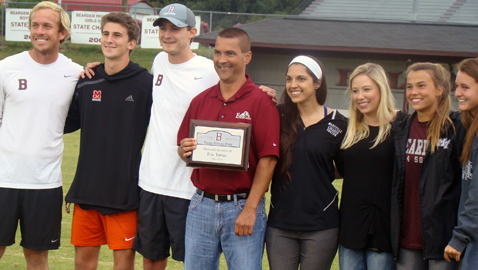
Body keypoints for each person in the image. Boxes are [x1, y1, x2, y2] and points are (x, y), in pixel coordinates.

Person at [178, 27, 280, 270]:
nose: (222, 60)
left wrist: (250, 209)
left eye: (231, 53)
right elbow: (183, 148)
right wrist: (184, 150)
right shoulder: (201, 100)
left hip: (241, 205)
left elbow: (268, 160)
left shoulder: (261, 102)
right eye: (218, 52)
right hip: (201, 205)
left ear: (247, 57)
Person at [64, 12, 152, 270]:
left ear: (131, 43)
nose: (109, 40)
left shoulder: (146, 84)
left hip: (124, 195)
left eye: (117, 35)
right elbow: (63, 123)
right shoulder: (87, 81)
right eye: (105, 34)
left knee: (123, 264)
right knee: (82, 264)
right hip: (86, 191)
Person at [0, 1, 82, 269]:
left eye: (47, 25)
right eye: (35, 25)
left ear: (62, 33)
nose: (40, 31)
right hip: (4, 179)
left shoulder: (74, 73)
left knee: (37, 258)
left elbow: (75, 117)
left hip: (45, 183)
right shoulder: (7, 67)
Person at [265, 55, 347, 270]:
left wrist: (320, 169)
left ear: (317, 83)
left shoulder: (338, 123)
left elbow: (346, 168)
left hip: (321, 225)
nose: (293, 85)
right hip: (280, 223)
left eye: (301, 79)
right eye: (289, 79)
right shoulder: (276, 114)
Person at [391, 62, 465, 270]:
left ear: (440, 89)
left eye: (421, 85)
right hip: (406, 240)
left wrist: (460, 236)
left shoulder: (457, 128)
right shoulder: (400, 128)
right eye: (409, 86)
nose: (414, 92)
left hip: (445, 241)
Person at [339, 63, 404, 269]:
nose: (360, 96)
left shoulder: (401, 126)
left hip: (383, 226)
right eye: (355, 91)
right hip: (350, 224)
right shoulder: (347, 128)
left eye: (367, 89)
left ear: (381, 89)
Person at [445, 57, 478, 269]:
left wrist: (460, 236)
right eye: (457, 86)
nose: (457, 93)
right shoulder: (471, 129)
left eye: (465, 87)